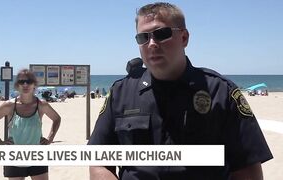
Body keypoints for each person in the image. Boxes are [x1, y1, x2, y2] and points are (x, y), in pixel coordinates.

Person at [88, 2, 272, 180]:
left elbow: (247, 168)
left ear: (184, 38)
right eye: (143, 37)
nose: (151, 43)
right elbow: (99, 161)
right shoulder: (121, 93)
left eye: (161, 34)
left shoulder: (221, 92)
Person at [0, 69, 61, 180]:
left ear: (34, 84)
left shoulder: (41, 105)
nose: (25, 84)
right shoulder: (9, 105)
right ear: (17, 85)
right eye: (21, 81)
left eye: (29, 81)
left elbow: (57, 119)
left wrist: (50, 138)